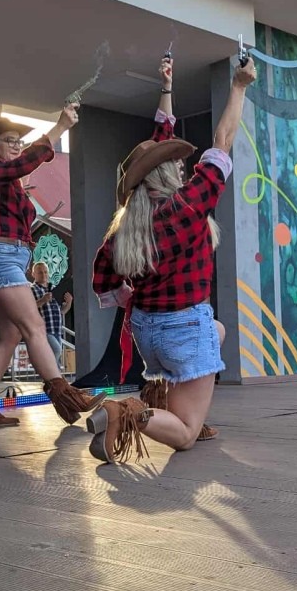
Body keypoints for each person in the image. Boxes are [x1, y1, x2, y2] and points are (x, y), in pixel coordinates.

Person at [84, 55, 257, 462]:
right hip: (183, 328)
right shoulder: (186, 207)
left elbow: (103, 280)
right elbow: (223, 140)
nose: (183, 166)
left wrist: (167, 87)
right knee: (186, 435)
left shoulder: (125, 228)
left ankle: (157, 411)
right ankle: (126, 411)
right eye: (176, 164)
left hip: (147, 333)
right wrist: (239, 86)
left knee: (217, 331)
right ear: (165, 174)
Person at [0, 107, 103, 427]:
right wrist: (59, 127)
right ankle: (66, 396)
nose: (17, 145)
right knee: (35, 327)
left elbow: (20, 172)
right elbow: (23, 163)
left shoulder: (8, 182)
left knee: (10, 335)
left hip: (8, 258)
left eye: (19, 141)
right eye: (10, 140)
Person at [30, 262, 72, 372]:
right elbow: (28, 308)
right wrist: (42, 300)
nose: (43, 275)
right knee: (56, 351)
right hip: (43, 330)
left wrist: (69, 303)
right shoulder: (31, 289)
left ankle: (53, 378)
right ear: (33, 274)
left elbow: (61, 311)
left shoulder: (53, 289)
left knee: (55, 355)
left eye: (45, 272)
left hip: (57, 330)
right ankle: (52, 375)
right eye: (40, 272)